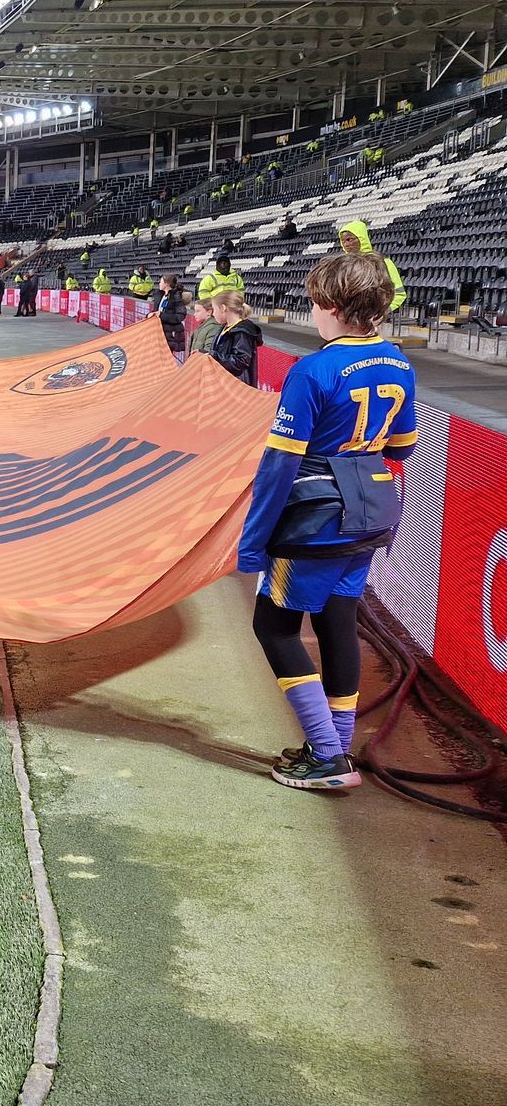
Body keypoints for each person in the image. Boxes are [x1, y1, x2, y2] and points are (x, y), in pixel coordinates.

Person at [237, 253, 417, 791]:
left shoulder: (312, 370)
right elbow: (403, 449)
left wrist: (253, 543)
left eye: (314, 304)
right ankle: (337, 745)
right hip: (370, 509)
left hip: (315, 517)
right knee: (339, 621)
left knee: (274, 626)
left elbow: (279, 466)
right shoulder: (400, 363)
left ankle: (326, 756)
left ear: (332, 308)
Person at [335, 218, 406, 313]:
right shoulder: (343, 265)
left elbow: (399, 293)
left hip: (371, 321)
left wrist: (381, 313)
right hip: (348, 320)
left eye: (349, 239)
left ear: (361, 238)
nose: (346, 244)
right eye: (343, 241)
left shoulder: (383, 261)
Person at [207, 289, 264, 386]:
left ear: (223, 308)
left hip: (237, 388)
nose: (213, 314)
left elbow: (240, 361)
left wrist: (213, 356)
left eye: (214, 309)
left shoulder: (242, 332)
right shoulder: (224, 328)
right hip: (224, 384)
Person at [155, 272, 189, 355]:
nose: (159, 284)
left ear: (166, 284)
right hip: (159, 332)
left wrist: (162, 316)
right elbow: (157, 311)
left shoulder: (176, 297)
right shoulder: (160, 295)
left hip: (170, 335)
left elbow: (180, 316)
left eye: (161, 282)